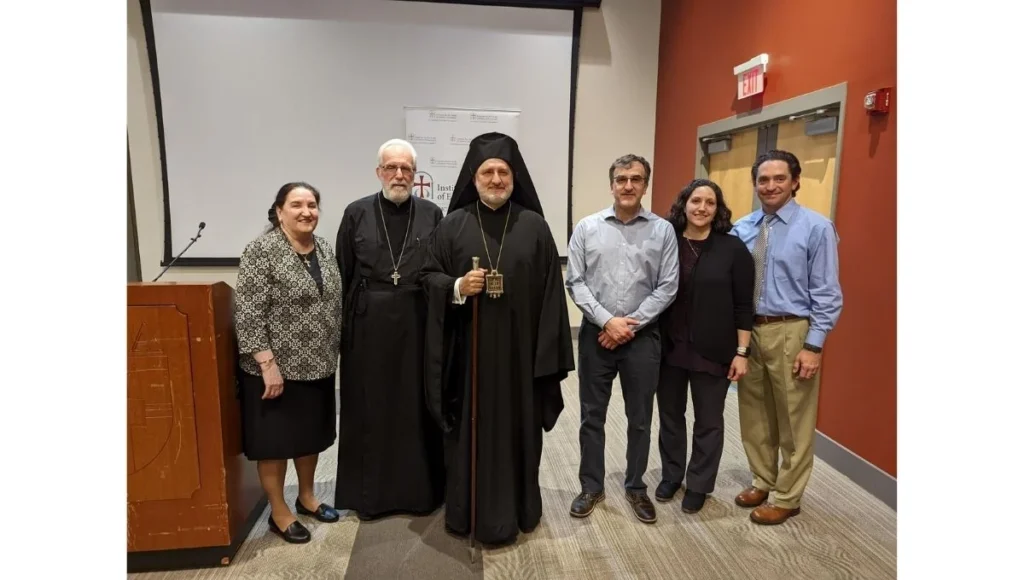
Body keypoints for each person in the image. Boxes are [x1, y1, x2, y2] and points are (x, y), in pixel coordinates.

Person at [420, 132, 575, 546]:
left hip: (520, 362)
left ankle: (520, 509)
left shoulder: (535, 227)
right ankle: (464, 511)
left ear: (514, 177)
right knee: (466, 435)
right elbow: (426, 278)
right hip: (466, 358)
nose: (495, 178)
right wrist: (456, 286)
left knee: (518, 435)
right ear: (473, 179)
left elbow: (551, 301)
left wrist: (544, 361)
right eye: (487, 171)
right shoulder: (452, 225)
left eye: (503, 171)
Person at [332, 139, 445, 520]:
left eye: (407, 169)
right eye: (392, 168)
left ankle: (421, 493)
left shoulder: (432, 213)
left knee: (417, 405)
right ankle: (370, 498)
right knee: (371, 406)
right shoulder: (356, 213)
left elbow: (440, 270)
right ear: (379, 171)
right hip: (368, 327)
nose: (399, 175)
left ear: (415, 175)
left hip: (418, 322)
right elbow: (344, 276)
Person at [730, 149, 843, 525]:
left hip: (793, 329)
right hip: (751, 330)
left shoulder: (816, 227)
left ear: (795, 182)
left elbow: (827, 293)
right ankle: (763, 479)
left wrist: (814, 345)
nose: (771, 185)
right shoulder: (744, 228)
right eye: (763, 179)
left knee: (794, 418)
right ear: (755, 184)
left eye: (779, 178)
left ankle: (789, 495)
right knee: (755, 414)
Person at [565, 154, 679, 525]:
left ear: (646, 184)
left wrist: (628, 325)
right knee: (591, 417)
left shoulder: (663, 231)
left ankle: (635, 487)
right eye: (621, 179)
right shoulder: (587, 228)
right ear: (611, 183)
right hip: (596, 337)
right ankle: (591, 486)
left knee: (640, 419)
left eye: (636, 179)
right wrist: (607, 322)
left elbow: (668, 286)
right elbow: (575, 281)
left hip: (643, 340)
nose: (628, 185)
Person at [234, 182, 343, 544]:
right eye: (296, 204)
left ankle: (308, 496)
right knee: (276, 443)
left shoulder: (324, 249)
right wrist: (267, 363)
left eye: (312, 204)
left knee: (309, 437)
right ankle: (279, 512)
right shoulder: (261, 251)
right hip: (274, 370)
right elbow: (248, 312)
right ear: (279, 211)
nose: (306, 211)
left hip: (318, 364)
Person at [654, 179, 754, 514]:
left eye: (709, 203)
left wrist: (742, 352)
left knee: (709, 420)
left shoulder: (733, 249)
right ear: (684, 204)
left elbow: (743, 306)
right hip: (669, 346)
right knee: (670, 415)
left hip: (714, 348)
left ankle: (699, 483)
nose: (701, 208)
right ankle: (671, 475)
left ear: (718, 209)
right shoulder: (666, 242)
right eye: (695, 200)